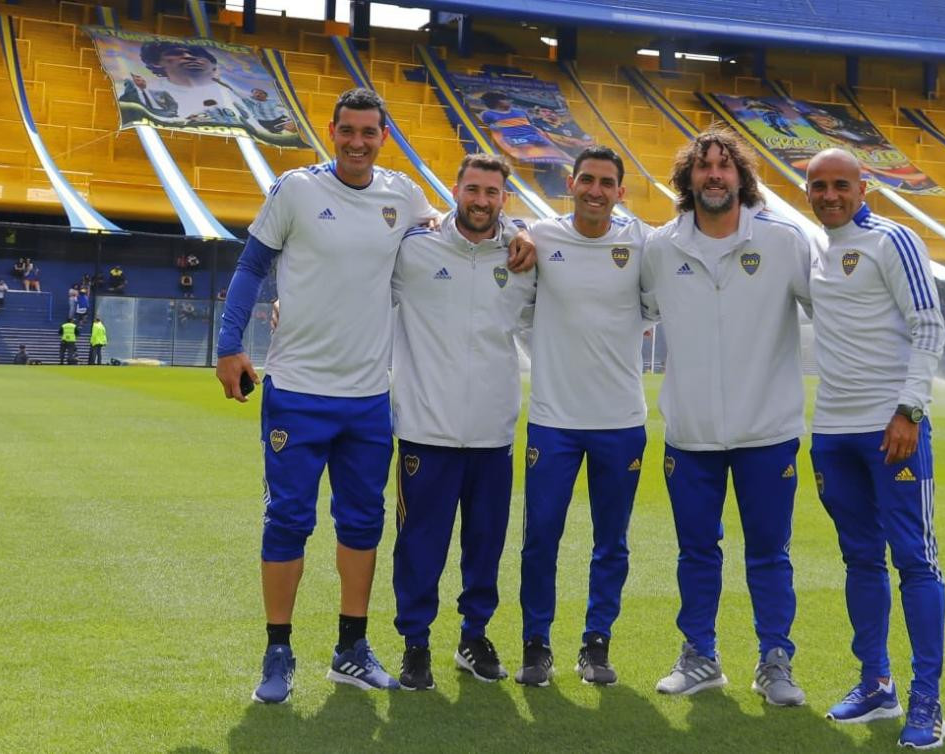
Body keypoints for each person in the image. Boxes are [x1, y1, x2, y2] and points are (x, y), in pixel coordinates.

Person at [214, 88, 533, 705]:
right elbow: (251, 265)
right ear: (331, 131)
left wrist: (520, 229)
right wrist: (230, 344)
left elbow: (460, 228)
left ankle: (350, 650)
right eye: (348, 131)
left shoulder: (402, 195)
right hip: (299, 388)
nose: (358, 143)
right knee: (288, 521)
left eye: (370, 133)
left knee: (362, 523)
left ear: (383, 137)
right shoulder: (296, 190)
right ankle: (277, 650)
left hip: (367, 397)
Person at [641, 127, 811, 703]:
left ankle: (775, 661)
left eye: (724, 166)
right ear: (688, 179)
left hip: (768, 431)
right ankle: (700, 657)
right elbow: (629, 304)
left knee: (769, 552)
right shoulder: (661, 246)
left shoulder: (785, 240)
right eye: (703, 166)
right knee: (696, 551)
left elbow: (831, 307)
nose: (714, 175)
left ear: (742, 176)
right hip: (690, 434)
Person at [804, 148, 945, 749]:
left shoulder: (895, 240)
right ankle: (876, 683)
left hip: (892, 429)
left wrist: (909, 409)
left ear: (864, 187)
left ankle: (928, 701)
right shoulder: (814, 252)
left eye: (842, 184)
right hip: (833, 432)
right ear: (806, 189)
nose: (830, 194)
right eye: (819, 185)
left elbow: (930, 324)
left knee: (914, 560)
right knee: (860, 559)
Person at [389, 153, 535, 691]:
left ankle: (474, 636)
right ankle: (416, 643)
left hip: (493, 432)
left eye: (492, 193)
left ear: (505, 198)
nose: (480, 201)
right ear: (454, 189)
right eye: (472, 189)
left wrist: (529, 234)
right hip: (426, 430)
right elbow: (357, 283)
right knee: (419, 544)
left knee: (485, 544)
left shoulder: (523, 257)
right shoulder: (415, 249)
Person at [515, 146, 652, 688]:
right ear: (570, 184)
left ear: (621, 191)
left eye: (607, 182)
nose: (596, 190)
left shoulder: (642, 241)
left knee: (610, 540)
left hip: (620, 420)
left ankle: (597, 644)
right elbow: (487, 222)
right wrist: (519, 228)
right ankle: (535, 644)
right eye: (587, 180)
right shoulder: (541, 236)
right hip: (554, 419)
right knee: (540, 536)